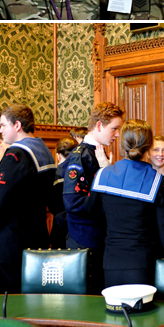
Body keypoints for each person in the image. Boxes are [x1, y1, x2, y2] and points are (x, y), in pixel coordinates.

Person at [0, 105, 58, 294]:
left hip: (10, 244)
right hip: (38, 237)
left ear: (17, 125)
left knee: (9, 305)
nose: (0, 130)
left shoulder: (16, 155)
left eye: (3, 125)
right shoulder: (44, 151)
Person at [91, 119, 164, 287]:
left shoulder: (103, 175)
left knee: (114, 312)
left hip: (110, 263)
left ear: (122, 144)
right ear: (148, 146)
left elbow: (92, 214)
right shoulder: (158, 182)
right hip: (143, 263)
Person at [63, 102, 124, 294]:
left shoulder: (98, 153)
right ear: (99, 125)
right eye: (114, 129)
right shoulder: (80, 156)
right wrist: (105, 176)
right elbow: (73, 203)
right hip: (85, 241)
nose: (117, 134)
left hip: (98, 240)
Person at [49, 136, 79, 249]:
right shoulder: (81, 171)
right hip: (79, 226)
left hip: (60, 226)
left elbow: (51, 204)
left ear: (58, 155)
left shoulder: (53, 175)